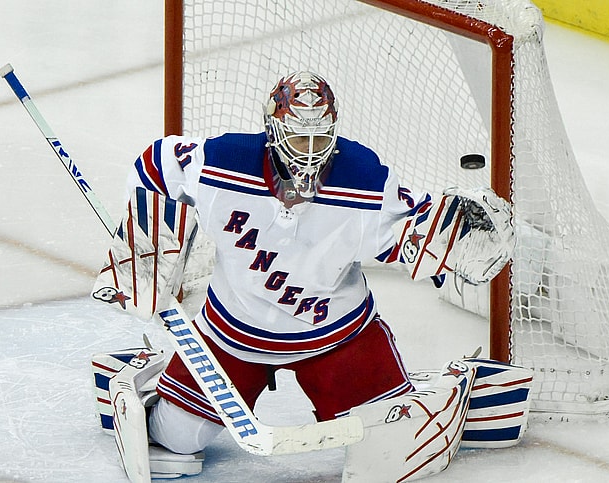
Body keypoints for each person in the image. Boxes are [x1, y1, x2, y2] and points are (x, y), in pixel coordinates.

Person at [94, 71, 515, 478]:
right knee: (176, 443)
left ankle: (451, 388)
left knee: (389, 447)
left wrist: (457, 232)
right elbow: (154, 166)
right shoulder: (222, 161)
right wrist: (145, 249)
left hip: (338, 338)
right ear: (273, 129)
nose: (309, 151)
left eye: (320, 138)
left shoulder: (364, 179)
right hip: (232, 335)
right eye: (299, 137)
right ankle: (147, 384)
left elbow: (415, 226)